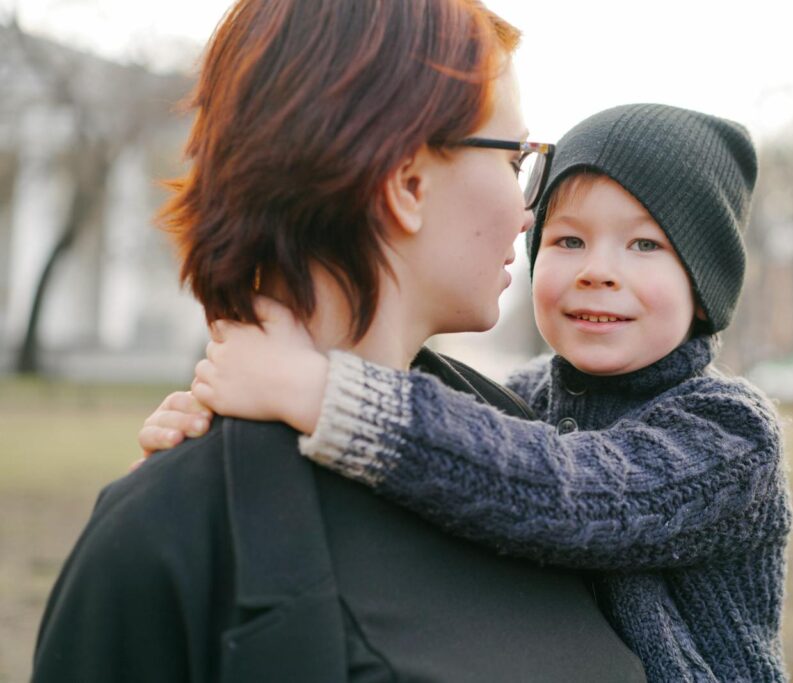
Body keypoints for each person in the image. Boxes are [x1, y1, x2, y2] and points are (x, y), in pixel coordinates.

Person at [32, 1, 650, 681]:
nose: (526, 210)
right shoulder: (162, 538)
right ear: (407, 183)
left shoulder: (522, 452)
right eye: (515, 159)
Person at [142, 104, 793, 681]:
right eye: (568, 239)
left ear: (705, 285)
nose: (598, 271)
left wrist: (324, 393)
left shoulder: (730, 432)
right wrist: (223, 432)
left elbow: (571, 494)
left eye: (645, 243)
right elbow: (440, 467)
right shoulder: (519, 397)